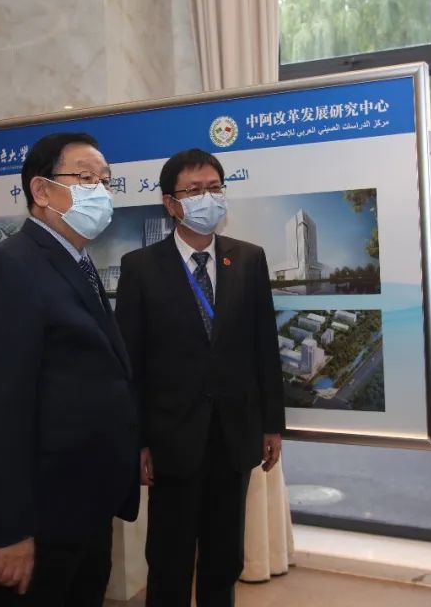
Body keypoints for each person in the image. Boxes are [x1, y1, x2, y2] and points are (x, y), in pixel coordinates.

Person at [0, 132, 139, 606]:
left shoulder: (76, 263)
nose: (101, 191)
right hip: (32, 517)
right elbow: (1, 410)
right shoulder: (10, 268)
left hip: (79, 505)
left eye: (106, 181)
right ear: (41, 190)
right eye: (86, 178)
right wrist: (11, 529)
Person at [115, 148, 285, 607]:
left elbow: (264, 348)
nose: (206, 198)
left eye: (214, 188)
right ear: (171, 203)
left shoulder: (248, 259)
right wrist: (138, 442)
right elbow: (131, 363)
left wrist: (272, 425)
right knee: (168, 561)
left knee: (223, 559)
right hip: (171, 440)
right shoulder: (140, 267)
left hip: (234, 435)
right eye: (194, 191)